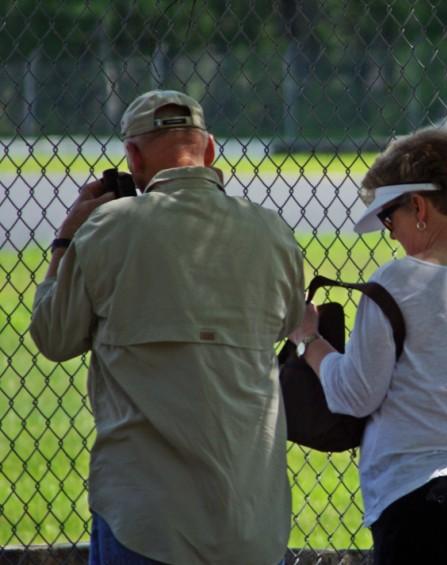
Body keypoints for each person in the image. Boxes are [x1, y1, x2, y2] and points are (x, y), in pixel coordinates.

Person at [30, 90, 304, 565]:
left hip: (146, 519)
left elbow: (53, 336)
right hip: (251, 518)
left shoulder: (108, 228)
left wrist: (66, 239)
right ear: (211, 149)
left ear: (132, 155)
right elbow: (289, 321)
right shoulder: (270, 230)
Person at [288, 128, 447, 565]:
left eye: (389, 218)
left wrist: (309, 339)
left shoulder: (397, 280)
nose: (390, 234)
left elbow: (354, 394)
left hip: (429, 502)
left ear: (418, 206)